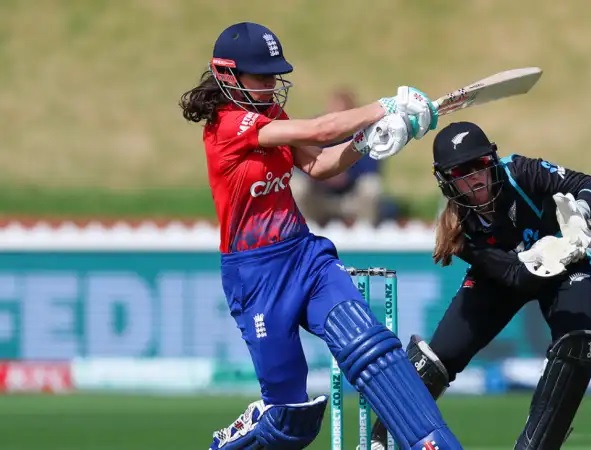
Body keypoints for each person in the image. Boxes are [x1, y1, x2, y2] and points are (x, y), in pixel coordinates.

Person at [178, 21, 463, 450]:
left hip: (304, 255)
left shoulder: (270, 114)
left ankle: (433, 442)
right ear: (227, 75)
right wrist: (384, 107)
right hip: (255, 276)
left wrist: (367, 142)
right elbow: (320, 131)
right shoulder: (226, 126)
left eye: (275, 74)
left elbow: (320, 164)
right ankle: (246, 431)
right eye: (262, 76)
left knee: (372, 349)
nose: (272, 84)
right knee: (292, 419)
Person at [365, 121, 591, 450]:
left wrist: (579, 214)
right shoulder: (459, 228)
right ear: (447, 180)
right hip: (501, 279)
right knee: (441, 357)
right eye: (460, 173)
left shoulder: (521, 172)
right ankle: (383, 437)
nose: (473, 178)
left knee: (576, 346)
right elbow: (514, 277)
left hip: (567, 273)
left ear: (491, 161)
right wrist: (554, 249)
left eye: (478, 165)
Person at [292, 88, 390, 226]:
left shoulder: (366, 132)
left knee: (372, 185)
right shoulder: (315, 131)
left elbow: (372, 167)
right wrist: (325, 175)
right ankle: (304, 227)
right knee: (296, 184)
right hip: (319, 195)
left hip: (351, 196)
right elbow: (299, 164)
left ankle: (365, 231)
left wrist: (345, 173)